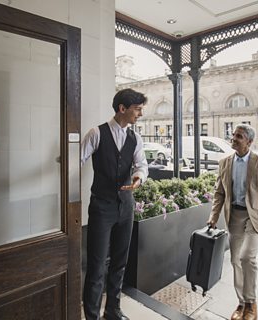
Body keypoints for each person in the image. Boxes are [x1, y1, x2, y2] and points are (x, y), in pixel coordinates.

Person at [81, 88, 148, 320]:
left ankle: (112, 310)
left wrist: (139, 177)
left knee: (120, 262)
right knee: (97, 265)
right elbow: (74, 162)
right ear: (122, 108)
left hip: (125, 207)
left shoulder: (135, 138)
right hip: (101, 207)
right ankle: (92, 315)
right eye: (137, 109)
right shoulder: (95, 133)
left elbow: (142, 165)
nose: (140, 114)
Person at [207, 123, 258, 320]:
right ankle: (241, 303)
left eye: (239, 136)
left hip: (255, 217)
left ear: (249, 141)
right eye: (234, 135)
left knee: (247, 257)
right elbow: (219, 193)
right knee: (235, 260)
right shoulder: (225, 162)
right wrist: (213, 217)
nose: (234, 138)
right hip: (234, 217)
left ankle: (251, 303)